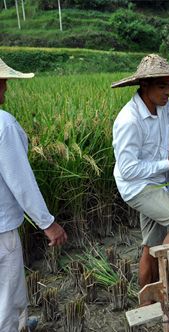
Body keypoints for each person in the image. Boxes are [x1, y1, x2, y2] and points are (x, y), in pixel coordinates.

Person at [111, 54, 169, 291]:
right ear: (144, 86)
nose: (168, 91)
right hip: (138, 186)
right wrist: (168, 164)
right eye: (162, 86)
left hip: (158, 183)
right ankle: (166, 282)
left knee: (151, 245)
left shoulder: (164, 105)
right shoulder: (129, 120)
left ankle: (146, 297)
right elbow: (128, 170)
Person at [0, 58, 67, 331]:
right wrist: (48, 223)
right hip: (1, 229)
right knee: (7, 292)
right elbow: (21, 182)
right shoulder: (4, 125)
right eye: (3, 82)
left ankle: (20, 324)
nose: (6, 88)